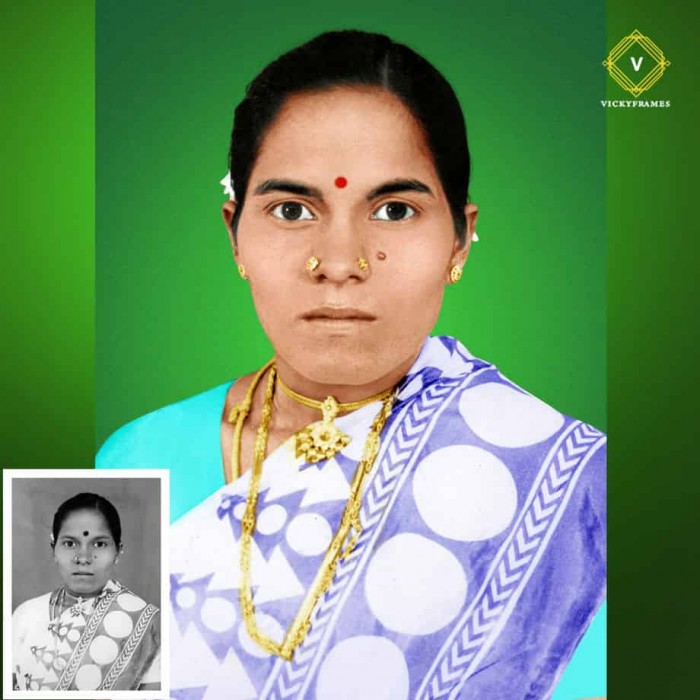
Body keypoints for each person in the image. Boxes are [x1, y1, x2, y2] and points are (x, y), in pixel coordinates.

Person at [98, 30, 605, 699]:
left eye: (394, 210)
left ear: (460, 240)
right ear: (234, 235)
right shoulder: (136, 460)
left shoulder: (569, 492)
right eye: (292, 210)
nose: (339, 262)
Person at [11, 492, 160, 692]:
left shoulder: (148, 625)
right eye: (70, 543)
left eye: (99, 544)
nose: (83, 558)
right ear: (53, 549)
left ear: (118, 551)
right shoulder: (25, 615)